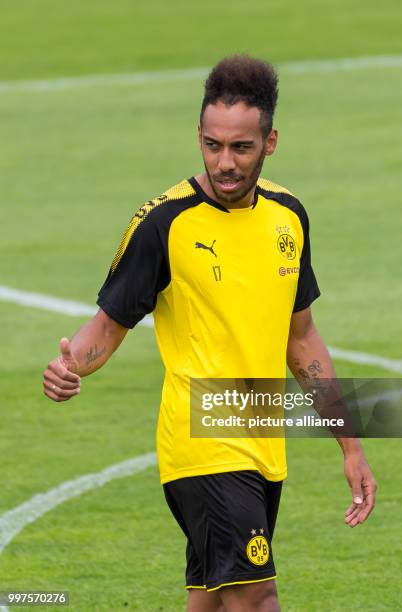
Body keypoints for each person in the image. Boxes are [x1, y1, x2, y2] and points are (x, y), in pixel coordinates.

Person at [43, 55, 377, 612]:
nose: (224, 162)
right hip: (201, 441)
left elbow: (302, 339)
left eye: (240, 148)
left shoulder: (288, 217)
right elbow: (107, 324)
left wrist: (351, 443)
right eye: (212, 145)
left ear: (269, 143)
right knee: (257, 596)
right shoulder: (164, 223)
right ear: (198, 137)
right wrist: (70, 366)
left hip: (262, 440)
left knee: (211, 601)